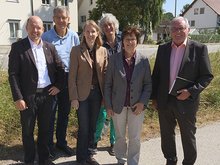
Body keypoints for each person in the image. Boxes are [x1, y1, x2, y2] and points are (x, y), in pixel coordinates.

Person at [151, 16, 213, 165]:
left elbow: (206, 76)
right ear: (170, 31)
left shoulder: (199, 49)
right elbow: (157, 75)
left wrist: (191, 91)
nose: (177, 32)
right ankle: (170, 160)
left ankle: (189, 162)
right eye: (174, 29)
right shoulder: (163, 49)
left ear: (188, 30)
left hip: (186, 101)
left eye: (181, 28)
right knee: (166, 134)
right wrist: (154, 98)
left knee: (188, 135)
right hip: (165, 100)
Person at [8, 16, 65, 165]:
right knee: (28, 132)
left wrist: (59, 85)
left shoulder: (49, 47)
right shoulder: (18, 47)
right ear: (26, 28)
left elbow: (60, 68)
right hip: (28, 97)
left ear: (43, 29)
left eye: (39, 27)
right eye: (32, 27)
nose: (36, 30)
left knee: (45, 131)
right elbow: (13, 74)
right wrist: (18, 97)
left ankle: (44, 159)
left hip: (47, 95)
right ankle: (29, 160)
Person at [104, 26, 152, 165]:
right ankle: (121, 159)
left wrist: (142, 103)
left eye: (133, 39)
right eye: (127, 39)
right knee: (119, 136)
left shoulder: (143, 60)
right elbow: (107, 85)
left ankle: (133, 162)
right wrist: (108, 105)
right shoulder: (113, 59)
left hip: (137, 105)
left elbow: (148, 85)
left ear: (137, 41)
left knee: (135, 137)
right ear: (122, 42)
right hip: (117, 105)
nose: (130, 42)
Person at [42, 6, 80, 157]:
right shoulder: (46, 37)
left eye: (64, 17)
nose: (61, 20)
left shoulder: (74, 37)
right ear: (53, 19)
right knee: (50, 115)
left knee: (64, 114)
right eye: (58, 17)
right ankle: (48, 146)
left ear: (68, 19)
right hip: (52, 83)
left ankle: (61, 143)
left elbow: (78, 59)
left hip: (68, 82)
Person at [68, 20, 108, 165]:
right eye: (87, 31)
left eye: (93, 31)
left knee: (92, 127)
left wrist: (106, 97)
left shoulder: (103, 51)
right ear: (83, 33)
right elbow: (71, 76)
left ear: (97, 33)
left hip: (97, 95)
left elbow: (105, 74)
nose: (90, 34)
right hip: (82, 96)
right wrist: (73, 97)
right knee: (84, 127)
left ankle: (89, 155)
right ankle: (80, 158)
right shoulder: (76, 50)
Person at [94, 13, 121, 156]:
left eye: (110, 24)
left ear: (115, 25)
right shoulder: (99, 43)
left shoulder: (123, 41)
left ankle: (113, 143)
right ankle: (94, 141)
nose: (108, 27)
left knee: (116, 115)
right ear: (102, 28)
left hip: (120, 84)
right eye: (105, 25)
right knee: (102, 114)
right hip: (103, 83)